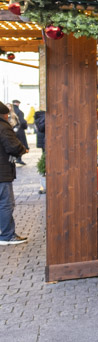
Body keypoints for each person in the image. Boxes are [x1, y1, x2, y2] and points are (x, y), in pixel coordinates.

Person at [0, 102, 28, 245]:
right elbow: (13, 147)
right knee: (6, 203)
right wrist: (23, 150)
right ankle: (7, 235)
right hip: (2, 172)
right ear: (4, 114)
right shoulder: (3, 127)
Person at [10, 100, 27, 166]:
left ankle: (13, 159)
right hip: (19, 131)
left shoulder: (10, 112)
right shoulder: (19, 112)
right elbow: (22, 122)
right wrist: (25, 126)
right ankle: (19, 159)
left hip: (11, 130)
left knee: (12, 144)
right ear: (18, 104)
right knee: (20, 144)